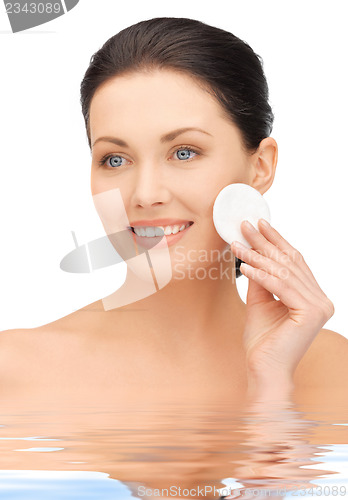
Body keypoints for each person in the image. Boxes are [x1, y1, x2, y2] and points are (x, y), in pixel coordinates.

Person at [1, 16, 347, 408]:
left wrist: (272, 387)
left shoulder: (337, 372)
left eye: (184, 152)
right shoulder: (12, 372)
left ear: (261, 167)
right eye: (115, 159)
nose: (145, 195)